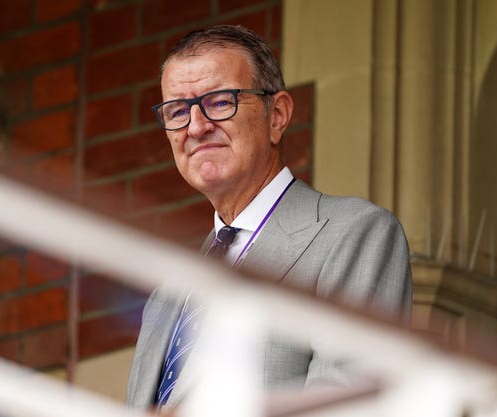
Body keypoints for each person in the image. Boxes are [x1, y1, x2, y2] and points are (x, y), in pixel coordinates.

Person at [126, 24, 412, 410]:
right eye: (177, 111)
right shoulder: (169, 293)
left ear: (277, 115)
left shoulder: (355, 233)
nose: (196, 127)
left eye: (219, 102)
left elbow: (345, 406)